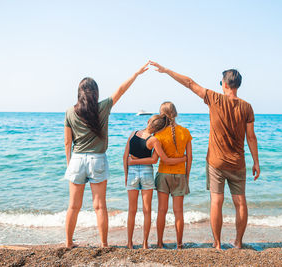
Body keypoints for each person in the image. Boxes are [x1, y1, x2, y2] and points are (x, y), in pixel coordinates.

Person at [149, 61, 260, 249]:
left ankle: (217, 244)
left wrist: (167, 71)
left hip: (216, 163)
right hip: (238, 162)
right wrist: (256, 162)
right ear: (237, 85)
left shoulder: (214, 98)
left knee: (216, 201)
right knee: (240, 202)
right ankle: (238, 242)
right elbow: (251, 137)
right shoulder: (247, 107)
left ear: (224, 84)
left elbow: (190, 83)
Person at [63, 62, 149, 249]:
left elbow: (68, 142)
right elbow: (121, 89)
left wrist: (70, 163)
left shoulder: (70, 111)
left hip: (77, 159)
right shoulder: (103, 107)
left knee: (73, 206)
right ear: (95, 92)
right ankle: (103, 244)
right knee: (100, 206)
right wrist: (136, 73)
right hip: (98, 159)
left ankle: (68, 243)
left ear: (79, 93)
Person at [129, 101, 193, 249]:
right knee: (178, 212)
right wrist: (187, 175)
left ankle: (159, 242)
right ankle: (179, 244)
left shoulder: (158, 134)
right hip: (180, 174)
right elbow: (189, 157)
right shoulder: (186, 132)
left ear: (161, 116)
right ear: (175, 113)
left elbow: (157, 158)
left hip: (163, 175)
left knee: (161, 211)